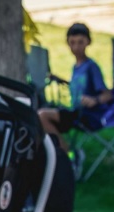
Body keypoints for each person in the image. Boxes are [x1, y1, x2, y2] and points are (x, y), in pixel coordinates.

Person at [39, 23, 113, 164]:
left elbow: (107, 94)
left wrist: (95, 100)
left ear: (88, 42)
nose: (76, 47)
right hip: (75, 112)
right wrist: (62, 82)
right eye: (72, 43)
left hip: (87, 116)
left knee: (42, 116)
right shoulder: (76, 67)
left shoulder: (91, 67)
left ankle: (68, 158)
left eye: (80, 42)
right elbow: (79, 88)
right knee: (40, 113)